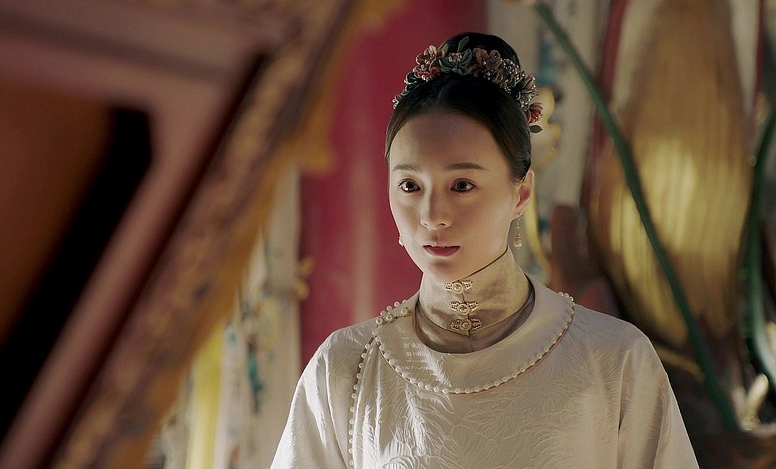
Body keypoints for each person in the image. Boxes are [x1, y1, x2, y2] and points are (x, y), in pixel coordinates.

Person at [271, 32, 699, 468]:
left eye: (462, 185)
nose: (432, 215)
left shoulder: (613, 361)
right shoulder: (345, 369)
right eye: (410, 186)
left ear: (521, 193)